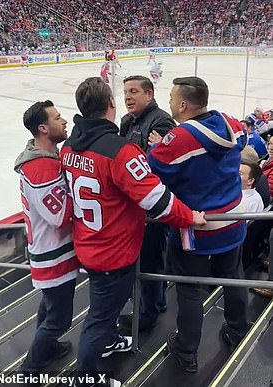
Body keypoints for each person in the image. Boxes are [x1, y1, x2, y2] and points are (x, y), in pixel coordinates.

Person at [60, 77, 206, 386]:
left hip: (87, 242)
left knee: (104, 309)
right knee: (99, 318)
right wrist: (188, 217)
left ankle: (111, 339)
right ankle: (85, 378)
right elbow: (156, 199)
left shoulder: (70, 145)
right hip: (113, 251)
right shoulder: (120, 150)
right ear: (110, 104)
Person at [148, 76, 249, 373]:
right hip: (232, 220)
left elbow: (151, 168)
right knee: (234, 278)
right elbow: (242, 141)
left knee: (190, 290)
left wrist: (158, 146)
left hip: (196, 228)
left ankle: (187, 349)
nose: (168, 102)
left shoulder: (179, 139)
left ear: (182, 104)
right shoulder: (231, 123)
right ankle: (238, 331)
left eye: (170, 97)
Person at [14, 100, 79, 377]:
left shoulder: (44, 159)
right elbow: (59, 215)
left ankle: (47, 348)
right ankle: (31, 369)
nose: (63, 121)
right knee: (59, 317)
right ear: (43, 128)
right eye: (57, 118)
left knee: (50, 309)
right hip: (53, 254)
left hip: (49, 250)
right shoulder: (40, 168)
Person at [120, 75, 177, 331]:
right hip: (133, 206)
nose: (128, 97)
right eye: (125, 92)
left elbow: (159, 164)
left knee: (149, 259)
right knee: (144, 258)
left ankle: (148, 314)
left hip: (150, 206)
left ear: (149, 94)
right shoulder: (127, 121)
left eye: (134, 91)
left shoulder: (162, 120)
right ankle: (155, 301)